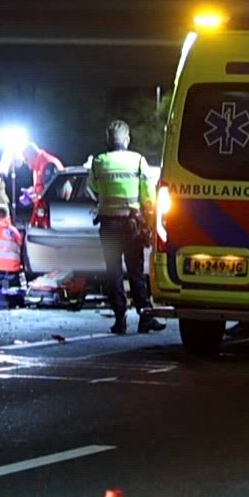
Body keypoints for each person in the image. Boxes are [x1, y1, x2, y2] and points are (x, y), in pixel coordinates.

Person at [90, 119, 165, 335]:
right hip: (132, 223)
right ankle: (145, 316)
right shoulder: (138, 160)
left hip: (109, 224)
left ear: (107, 140)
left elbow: (92, 186)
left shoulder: (99, 161)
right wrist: (149, 217)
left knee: (113, 271)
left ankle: (119, 319)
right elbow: (148, 193)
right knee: (136, 271)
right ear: (128, 140)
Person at [1, 142, 65, 223]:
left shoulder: (48, 164)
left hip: (52, 213)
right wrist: (32, 191)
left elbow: (50, 192)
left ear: (31, 156)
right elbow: (41, 186)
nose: (28, 166)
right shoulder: (40, 163)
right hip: (43, 210)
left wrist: (32, 197)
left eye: (26, 161)